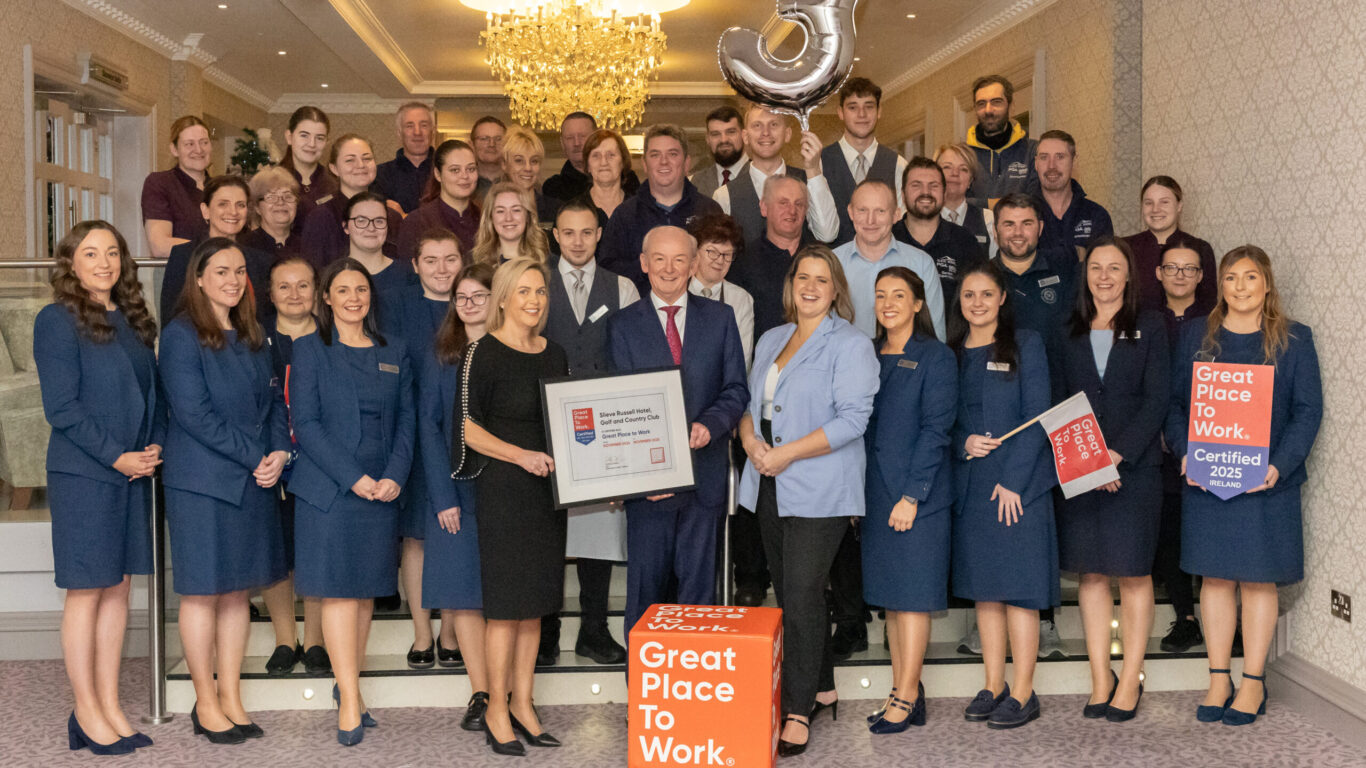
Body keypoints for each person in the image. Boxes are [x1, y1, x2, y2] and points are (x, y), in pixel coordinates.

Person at [1166, 246, 1322, 726]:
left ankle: (1252, 681)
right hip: (1208, 482)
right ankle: (1218, 676)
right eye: (1231, 278)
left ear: (1267, 284)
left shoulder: (1295, 340)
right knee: (1213, 578)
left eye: (1250, 278)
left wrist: (1278, 465)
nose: (1240, 287)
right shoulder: (1196, 334)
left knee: (1257, 579)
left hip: (1266, 486)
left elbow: (1307, 411)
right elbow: (1175, 406)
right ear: (1220, 285)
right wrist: (1185, 453)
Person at [737, 245, 878, 755]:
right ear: (791, 284)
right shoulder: (774, 337)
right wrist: (752, 443)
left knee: (799, 593)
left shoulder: (852, 344)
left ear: (836, 288)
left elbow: (852, 420)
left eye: (822, 279)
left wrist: (786, 453)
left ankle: (796, 709)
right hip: (769, 481)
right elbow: (749, 405)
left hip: (822, 486)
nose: (811, 286)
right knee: (796, 591)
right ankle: (822, 687)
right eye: (803, 277)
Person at [34, 221, 163, 756]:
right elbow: (62, 408)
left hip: (133, 472)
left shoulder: (132, 320)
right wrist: (118, 456)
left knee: (119, 588)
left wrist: (151, 449)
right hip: (87, 474)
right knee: (87, 589)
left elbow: (150, 394)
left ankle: (109, 703)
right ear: (70, 263)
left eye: (113, 253)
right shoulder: (56, 320)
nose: (105, 262)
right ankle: (85, 710)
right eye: (91, 254)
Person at [159, 237, 290, 745]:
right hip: (203, 483)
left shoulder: (254, 332)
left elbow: (277, 403)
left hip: (254, 478)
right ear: (197, 278)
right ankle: (205, 701)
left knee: (238, 594)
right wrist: (255, 456)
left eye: (239, 271)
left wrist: (278, 453)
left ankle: (232, 696)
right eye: (220, 271)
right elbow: (193, 415)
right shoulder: (181, 335)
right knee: (202, 594)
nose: (233, 280)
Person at [289, 259, 416, 746]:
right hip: (331, 492)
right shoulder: (310, 350)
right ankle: (348, 698)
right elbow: (308, 423)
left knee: (364, 594)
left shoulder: (394, 350)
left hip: (382, 490)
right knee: (341, 594)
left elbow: (407, 420)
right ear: (327, 298)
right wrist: (355, 478)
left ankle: (351, 691)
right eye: (342, 290)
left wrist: (394, 476)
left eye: (360, 289)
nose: (353, 298)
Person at [608, 226, 748, 649]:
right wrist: (634, 477)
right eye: (659, 259)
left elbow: (736, 389)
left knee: (698, 598)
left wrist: (711, 423)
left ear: (693, 266)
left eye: (679, 260)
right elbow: (616, 404)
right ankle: (646, 700)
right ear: (644, 264)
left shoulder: (720, 318)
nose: (669, 269)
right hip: (648, 488)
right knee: (645, 597)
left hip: (703, 480)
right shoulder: (621, 325)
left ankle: (691, 702)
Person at [458, 258, 569, 755]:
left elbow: (569, 423)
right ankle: (497, 709)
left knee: (534, 607)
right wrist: (519, 455)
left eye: (541, 291)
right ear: (502, 297)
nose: (534, 300)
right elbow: (467, 428)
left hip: (548, 492)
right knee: (505, 609)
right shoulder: (482, 352)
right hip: (504, 488)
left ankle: (524, 703)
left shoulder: (555, 353)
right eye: (523, 291)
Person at [1057, 237, 1169, 722]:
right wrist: (1092, 463)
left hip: (1135, 470)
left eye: (1114, 268)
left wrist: (1117, 455)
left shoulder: (1150, 325)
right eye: (1096, 267)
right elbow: (1060, 403)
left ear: (1129, 276)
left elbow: (1158, 398)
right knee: (1092, 573)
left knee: (1134, 572)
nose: (1104, 276)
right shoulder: (1068, 329)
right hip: (1082, 471)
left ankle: (1131, 677)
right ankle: (1100, 676)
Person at [948, 261, 1057, 730]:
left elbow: (1038, 415)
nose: (977, 303)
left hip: (1019, 483)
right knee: (986, 592)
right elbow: (943, 417)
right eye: (969, 295)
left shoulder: (1026, 344)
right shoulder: (950, 353)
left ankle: (1024, 691)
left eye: (986, 294)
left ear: (1002, 299)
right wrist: (962, 442)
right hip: (973, 483)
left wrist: (1013, 480)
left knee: (1020, 589)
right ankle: (993, 684)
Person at [538, 200, 639, 666]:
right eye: (568, 232)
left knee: (597, 531)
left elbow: (634, 361)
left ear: (599, 234)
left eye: (586, 232)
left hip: (600, 430)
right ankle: (544, 628)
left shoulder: (622, 287)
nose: (577, 241)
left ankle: (594, 629)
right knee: (543, 530)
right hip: (540, 425)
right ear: (554, 235)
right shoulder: (533, 283)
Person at [861, 266, 956, 734]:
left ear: (919, 304)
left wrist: (912, 495)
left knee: (914, 598)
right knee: (893, 602)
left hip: (917, 496)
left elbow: (937, 431)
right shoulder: (866, 354)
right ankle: (902, 690)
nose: (889, 303)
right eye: (881, 295)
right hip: (876, 496)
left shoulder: (935, 357)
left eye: (899, 295)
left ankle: (907, 693)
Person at [989, 193, 1074, 657]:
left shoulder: (1065, 273)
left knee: (1044, 521)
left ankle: (1045, 620)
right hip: (1003, 422)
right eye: (1008, 224)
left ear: (1040, 227)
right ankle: (991, 617)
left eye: (1025, 223)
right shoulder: (983, 278)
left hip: (1059, 412)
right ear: (995, 229)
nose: (1017, 232)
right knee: (1002, 520)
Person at [377, 228, 464, 669]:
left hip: (463, 438)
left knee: (452, 536)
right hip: (411, 432)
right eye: (431, 260)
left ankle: (451, 635)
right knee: (416, 536)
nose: (441, 269)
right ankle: (421, 633)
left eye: (450, 259)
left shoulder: (472, 303)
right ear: (415, 265)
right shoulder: (394, 304)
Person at [421, 262, 495, 730]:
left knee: (502, 597)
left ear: (497, 299)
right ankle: (482, 691)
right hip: (454, 492)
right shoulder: (441, 355)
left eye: (478, 296)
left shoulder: (511, 350)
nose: (468, 305)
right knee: (464, 598)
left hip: (505, 492)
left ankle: (508, 690)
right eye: (460, 297)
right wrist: (442, 495)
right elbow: (428, 429)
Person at [259, 257, 329, 677]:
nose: (294, 294)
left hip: (320, 459)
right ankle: (286, 639)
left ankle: (317, 639)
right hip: (270, 459)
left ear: (317, 292)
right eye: (283, 287)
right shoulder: (254, 340)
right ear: (270, 295)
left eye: (303, 286)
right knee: (278, 550)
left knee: (315, 550)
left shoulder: (334, 338)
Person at [1151, 237, 1207, 652]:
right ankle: (1185, 617)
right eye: (1172, 268)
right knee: (1169, 530)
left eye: (1189, 269)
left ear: (1202, 276)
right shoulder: (1144, 319)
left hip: (1206, 441)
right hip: (1157, 440)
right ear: (1158, 274)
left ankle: (1220, 617)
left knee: (1203, 528)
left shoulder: (1217, 321)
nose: (1180, 275)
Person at [599, 124, 722, 291]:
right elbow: (608, 270)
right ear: (644, 163)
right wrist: (652, 268)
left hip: (700, 311)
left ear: (686, 163)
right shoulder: (624, 215)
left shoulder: (709, 211)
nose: (664, 161)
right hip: (640, 311)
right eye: (655, 155)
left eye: (672, 154)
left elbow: (721, 264)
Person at [834, 180, 946, 340]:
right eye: (862, 210)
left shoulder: (921, 264)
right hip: (845, 362)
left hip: (905, 362)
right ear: (851, 212)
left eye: (880, 211)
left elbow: (935, 334)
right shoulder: (831, 263)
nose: (870, 220)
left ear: (896, 215)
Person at [713, 105, 838, 245]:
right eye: (757, 125)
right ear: (745, 137)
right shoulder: (724, 195)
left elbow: (828, 235)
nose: (765, 132)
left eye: (773, 124)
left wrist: (813, 170)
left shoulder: (809, 181)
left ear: (787, 134)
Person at [160, 175, 273, 326]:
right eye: (223, 204)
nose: (233, 212)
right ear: (205, 210)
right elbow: (171, 316)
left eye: (240, 205)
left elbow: (265, 321)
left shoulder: (262, 261)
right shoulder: (183, 255)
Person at [821, 77, 910, 244]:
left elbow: (903, 227)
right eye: (853, 107)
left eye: (869, 107)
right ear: (840, 112)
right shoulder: (819, 164)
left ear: (879, 111)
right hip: (833, 266)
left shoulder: (898, 165)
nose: (862, 114)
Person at [299, 134, 403, 270]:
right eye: (350, 160)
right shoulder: (320, 217)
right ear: (334, 168)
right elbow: (312, 274)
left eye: (367, 158)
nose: (361, 165)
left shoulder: (391, 217)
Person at [892, 156, 988, 301]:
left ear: (944, 194)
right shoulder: (888, 240)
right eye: (916, 185)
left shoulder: (965, 241)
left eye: (933, 185)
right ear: (903, 194)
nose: (926, 192)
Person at [729, 175, 811, 343]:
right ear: (764, 207)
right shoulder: (742, 263)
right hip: (763, 363)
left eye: (798, 204)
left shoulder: (821, 258)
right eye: (783, 203)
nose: (792, 211)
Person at [1124, 175, 1219, 312]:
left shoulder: (1200, 248)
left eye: (1164, 202)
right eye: (1148, 203)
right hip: (1136, 331)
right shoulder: (1124, 248)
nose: (1155, 209)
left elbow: (1208, 305)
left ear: (1179, 206)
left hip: (1186, 330)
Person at [1032, 130, 1114, 262]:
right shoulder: (1022, 215)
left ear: (1074, 161)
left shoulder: (1097, 215)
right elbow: (1016, 263)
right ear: (1036, 163)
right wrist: (1077, 252)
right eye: (1044, 157)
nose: (1051, 165)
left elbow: (1103, 266)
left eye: (1060, 157)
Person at [688, 213, 755, 369]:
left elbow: (741, 362)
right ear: (696, 251)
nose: (719, 260)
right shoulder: (677, 291)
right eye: (712, 251)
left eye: (727, 255)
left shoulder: (741, 299)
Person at [397, 139, 481, 259]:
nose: (465, 176)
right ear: (437, 174)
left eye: (471, 169)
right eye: (455, 170)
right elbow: (408, 274)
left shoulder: (485, 219)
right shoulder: (417, 222)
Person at [142, 115, 211, 260]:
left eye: (204, 142)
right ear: (174, 149)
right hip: (179, 276)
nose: (198, 150)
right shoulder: (160, 183)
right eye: (189, 144)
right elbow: (159, 246)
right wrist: (216, 250)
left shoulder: (221, 188)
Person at [965, 75, 1037, 203]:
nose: (988, 110)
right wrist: (990, 204)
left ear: (1011, 106)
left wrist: (989, 205)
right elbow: (954, 204)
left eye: (996, 102)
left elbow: (1037, 202)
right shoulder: (963, 156)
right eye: (981, 104)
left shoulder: (1033, 152)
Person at [341, 191, 411, 296]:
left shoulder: (408, 275)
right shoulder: (333, 276)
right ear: (346, 227)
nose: (371, 228)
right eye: (361, 221)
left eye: (379, 221)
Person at [935, 143, 996, 258]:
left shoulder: (989, 221)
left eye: (963, 169)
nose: (955, 173)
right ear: (935, 174)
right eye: (947, 167)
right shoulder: (921, 219)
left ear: (970, 180)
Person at [468, 182, 551, 266]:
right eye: (500, 211)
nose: (508, 218)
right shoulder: (474, 262)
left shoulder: (548, 262)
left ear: (528, 216)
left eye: (516, 210)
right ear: (490, 218)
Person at [374, 102, 435, 214]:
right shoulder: (379, 175)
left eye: (424, 125)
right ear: (399, 132)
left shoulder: (448, 172)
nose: (417, 132)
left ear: (433, 131)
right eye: (409, 126)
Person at [278, 106, 337, 216]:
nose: (312, 144)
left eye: (319, 138)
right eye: (304, 135)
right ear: (289, 137)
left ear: (327, 142)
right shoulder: (269, 182)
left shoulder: (335, 185)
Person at [502, 125, 560, 225]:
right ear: (504, 164)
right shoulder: (492, 209)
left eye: (534, 161)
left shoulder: (557, 209)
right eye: (519, 161)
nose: (528, 168)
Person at [241, 166, 302, 259]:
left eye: (288, 196)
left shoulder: (308, 246)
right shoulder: (244, 248)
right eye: (271, 197)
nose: (281, 202)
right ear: (257, 207)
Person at [582, 129, 641, 225]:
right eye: (596, 156)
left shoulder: (640, 209)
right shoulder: (573, 210)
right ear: (588, 166)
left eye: (611, 155)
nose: (604, 162)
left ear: (623, 162)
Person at [690, 105, 749, 199]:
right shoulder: (693, 184)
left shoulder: (762, 177)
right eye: (715, 134)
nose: (723, 140)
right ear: (708, 139)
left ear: (744, 135)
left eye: (731, 132)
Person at [543, 111, 598, 201]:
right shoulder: (553, 188)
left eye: (582, 136)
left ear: (596, 138)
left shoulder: (622, 179)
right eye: (569, 138)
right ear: (562, 143)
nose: (576, 143)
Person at [470, 115, 507, 199]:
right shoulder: (463, 183)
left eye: (498, 139)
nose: (491, 144)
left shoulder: (518, 182)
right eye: (484, 139)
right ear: (472, 145)